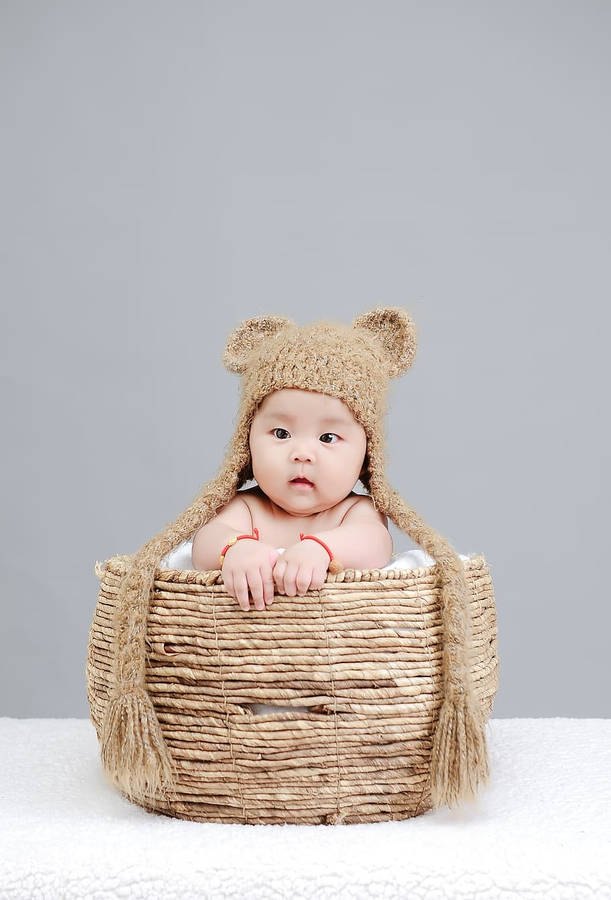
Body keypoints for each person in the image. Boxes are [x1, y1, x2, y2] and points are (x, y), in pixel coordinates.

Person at [191, 386, 393, 610]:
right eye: (281, 433)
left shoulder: (357, 510)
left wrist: (320, 549)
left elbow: (376, 542)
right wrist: (237, 547)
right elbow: (204, 544)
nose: (302, 454)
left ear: (366, 458)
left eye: (328, 438)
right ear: (247, 445)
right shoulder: (245, 507)